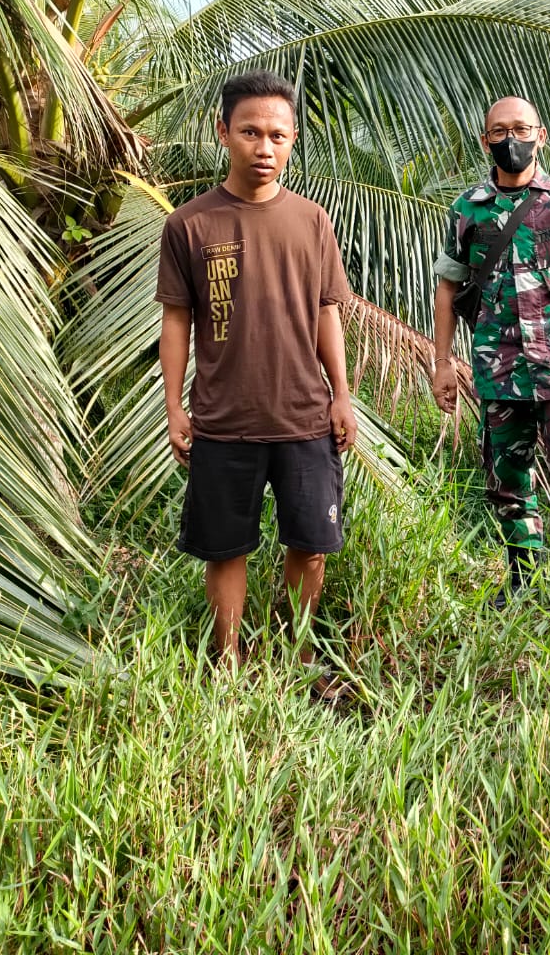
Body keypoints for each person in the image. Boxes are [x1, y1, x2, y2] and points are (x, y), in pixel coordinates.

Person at [156, 69, 358, 677]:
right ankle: (229, 662)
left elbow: (327, 310)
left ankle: (292, 654)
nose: (264, 148)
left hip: (304, 416)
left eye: (278, 135)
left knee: (312, 547)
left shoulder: (312, 221)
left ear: (293, 139)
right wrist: (173, 406)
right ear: (223, 132)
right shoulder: (189, 224)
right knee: (227, 548)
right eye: (250, 132)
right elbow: (176, 322)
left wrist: (342, 394)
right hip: (223, 420)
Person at [430, 96, 550, 624]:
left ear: (540, 135)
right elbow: (448, 289)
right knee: (508, 482)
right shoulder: (467, 209)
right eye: (499, 131)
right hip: (499, 374)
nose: (509, 139)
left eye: (520, 129)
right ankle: (524, 582)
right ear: (484, 140)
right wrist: (442, 362)